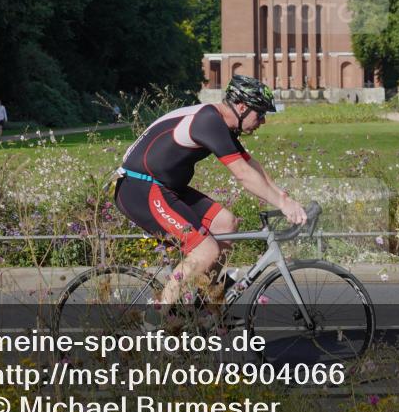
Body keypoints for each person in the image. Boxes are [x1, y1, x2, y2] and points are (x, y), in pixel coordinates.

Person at [112, 75, 306, 310]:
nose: (263, 121)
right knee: (206, 250)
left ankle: (202, 308)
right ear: (242, 107)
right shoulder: (209, 121)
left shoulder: (223, 123)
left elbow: (250, 164)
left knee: (226, 223)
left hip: (165, 187)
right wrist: (284, 206)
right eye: (260, 113)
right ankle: (157, 321)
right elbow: (242, 174)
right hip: (140, 188)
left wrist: (284, 198)